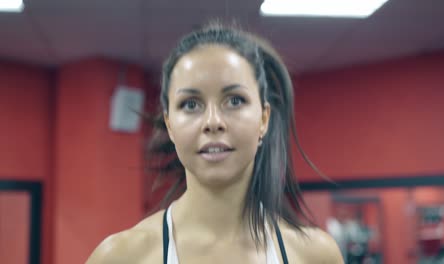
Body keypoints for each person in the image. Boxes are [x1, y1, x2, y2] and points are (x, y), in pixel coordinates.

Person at [87, 22, 344, 264]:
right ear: (170, 124)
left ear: (264, 119)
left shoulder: (314, 255)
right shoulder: (122, 257)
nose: (213, 121)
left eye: (234, 100)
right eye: (191, 104)